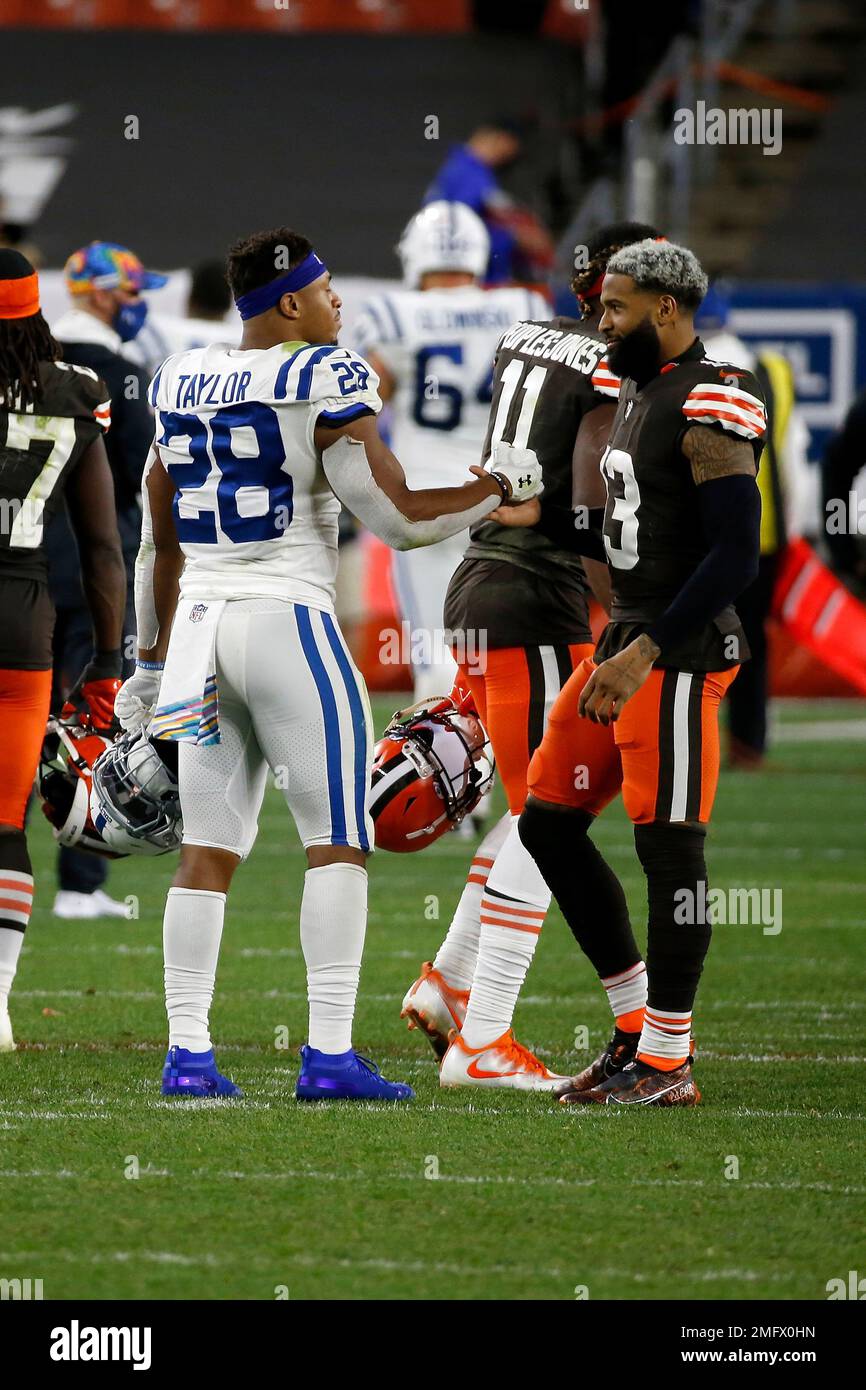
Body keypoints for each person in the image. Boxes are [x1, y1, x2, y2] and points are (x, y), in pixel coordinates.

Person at [115, 225, 541, 1102]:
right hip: (288, 625)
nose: (339, 302)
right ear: (289, 303)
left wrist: (148, 665)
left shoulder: (180, 375)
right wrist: (497, 487)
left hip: (197, 632)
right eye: (325, 289)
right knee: (338, 841)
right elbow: (402, 520)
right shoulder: (324, 375)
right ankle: (329, 1056)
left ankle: (188, 1055)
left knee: (207, 849)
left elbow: (157, 541)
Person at [399, 223, 660, 1090]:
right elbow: (586, 493)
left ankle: (449, 985)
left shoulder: (527, 333)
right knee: (550, 816)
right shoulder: (599, 361)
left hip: (477, 584)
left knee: (530, 812)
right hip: (533, 596)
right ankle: (484, 1036)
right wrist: (621, 606)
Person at [518, 238, 766, 1106]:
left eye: (616, 305)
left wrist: (649, 649)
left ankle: (668, 1059)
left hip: (677, 650)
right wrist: (535, 512)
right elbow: (631, 528)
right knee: (547, 823)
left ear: (666, 308)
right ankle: (633, 1033)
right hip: (627, 636)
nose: (600, 316)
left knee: (668, 850)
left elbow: (737, 553)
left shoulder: (713, 396)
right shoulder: (634, 386)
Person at [0, 249, 125, 1050]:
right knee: (6, 822)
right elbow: (103, 548)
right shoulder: (75, 393)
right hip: (24, 624)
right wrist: (110, 664)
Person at [353, 201, 548, 700]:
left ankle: (443, 772)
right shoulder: (523, 308)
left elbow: (366, 406)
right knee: (524, 649)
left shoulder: (392, 313)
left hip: (426, 499)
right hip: (511, 494)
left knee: (438, 651)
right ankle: (535, 771)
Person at [46, 240, 164, 919]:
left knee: (19, 712)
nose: (135, 303)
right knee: (96, 716)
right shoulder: (116, 373)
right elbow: (145, 479)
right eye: (127, 290)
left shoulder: (24, 365)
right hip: (96, 568)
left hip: (21, 565)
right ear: (97, 292)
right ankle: (79, 880)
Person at [698, 286, 807, 767]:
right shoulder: (772, 370)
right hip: (763, 531)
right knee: (752, 642)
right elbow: (795, 454)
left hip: (695, 533)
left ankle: (686, 741)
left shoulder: (680, 370)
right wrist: (796, 528)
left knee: (683, 641)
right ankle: (749, 744)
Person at [425, 120, 554, 284]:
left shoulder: (462, 169)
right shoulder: (469, 174)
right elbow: (460, 232)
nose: (509, 157)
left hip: (466, 278)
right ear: (500, 139)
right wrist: (516, 238)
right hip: (469, 280)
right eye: (510, 148)